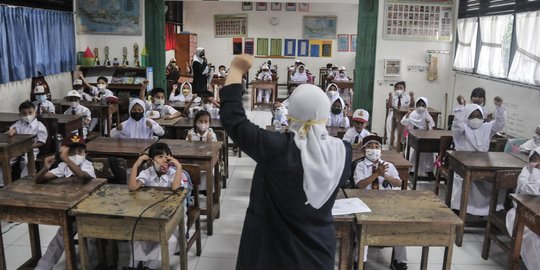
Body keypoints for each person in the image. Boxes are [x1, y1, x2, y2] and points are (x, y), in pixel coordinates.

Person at [220, 55, 351, 270]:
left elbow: (234, 121)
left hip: (272, 249)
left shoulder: (277, 148)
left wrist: (236, 68)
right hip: (317, 251)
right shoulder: (343, 152)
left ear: (292, 113)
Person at [34, 134, 97, 270]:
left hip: (90, 213)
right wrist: (45, 167)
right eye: (71, 152)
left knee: (91, 241)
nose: (76, 155)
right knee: (59, 238)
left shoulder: (88, 165)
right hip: (71, 213)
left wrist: (66, 158)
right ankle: (42, 267)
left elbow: (82, 176)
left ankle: (91, 265)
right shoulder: (64, 167)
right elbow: (40, 180)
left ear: (85, 153)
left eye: (80, 152)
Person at [128, 142, 190, 269]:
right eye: (159, 157)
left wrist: (178, 167)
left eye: (167, 157)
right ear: (152, 161)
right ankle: (134, 266)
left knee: (167, 240)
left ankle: (150, 266)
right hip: (152, 214)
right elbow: (133, 187)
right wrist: (136, 165)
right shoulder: (148, 172)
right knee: (139, 237)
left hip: (174, 215)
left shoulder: (174, 173)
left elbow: (175, 187)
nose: (164, 160)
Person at [352, 135, 407, 270]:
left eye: (377, 147)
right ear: (364, 151)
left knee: (400, 227)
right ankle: (360, 261)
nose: (374, 150)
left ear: (381, 150)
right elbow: (360, 185)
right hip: (365, 202)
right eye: (370, 147)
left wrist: (384, 175)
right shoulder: (360, 166)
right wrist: (376, 174)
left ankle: (399, 260)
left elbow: (399, 182)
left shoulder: (389, 165)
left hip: (386, 203)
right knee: (364, 229)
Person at [450, 98, 506, 216]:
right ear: (467, 117)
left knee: (498, 181)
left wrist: (499, 108)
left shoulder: (486, 128)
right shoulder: (462, 129)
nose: (476, 119)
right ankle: (459, 208)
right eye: (472, 116)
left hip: (483, 164)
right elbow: (457, 125)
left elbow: (499, 124)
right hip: (463, 163)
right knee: (463, 180)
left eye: (479, 116)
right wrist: (461, 109)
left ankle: (492, 210)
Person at [505, 146, 540, 270]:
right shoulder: (526, 173)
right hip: (522, 215)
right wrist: (537, 170)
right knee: (535, 239)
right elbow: (531, 191)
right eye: (536, 160)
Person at [0, 101, 47, 186]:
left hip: (32, 149)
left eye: (30, 112)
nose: (27, 115)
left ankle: (25, 182)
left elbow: (41, 142)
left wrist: (28, 147)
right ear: (20, 115)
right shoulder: (19, 123)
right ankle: (3, 183)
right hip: (16, 149)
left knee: (26, 162)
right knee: (6, 160)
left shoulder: (39, 126)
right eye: (24, 113)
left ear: (35, 113)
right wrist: (12, 131)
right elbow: (12, 130)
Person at [400, 97, 435, 176]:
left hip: (425, 137)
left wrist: (427, 124)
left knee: (429, 151)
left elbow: (430, 129)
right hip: (412, 136)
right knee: (413, 151)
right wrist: (407, 116)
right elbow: (403, 122)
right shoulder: (412, 114)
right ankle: (412, 169)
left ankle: (428, 169)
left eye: (423, 105)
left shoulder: (427, 116)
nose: (420, 107)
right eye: (419, 104)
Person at [386, 81, 414, 146]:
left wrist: (412, 97)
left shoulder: (407, 97)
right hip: (393, 114)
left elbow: (412, 106)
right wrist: (390, 96)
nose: (399, 89)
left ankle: (403, 142)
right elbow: (388, 106)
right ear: (394, 89)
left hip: (404, 114)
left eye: (401, 88)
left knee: (408, 123)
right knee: (390, 122)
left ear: (404, 89)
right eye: (397, 88)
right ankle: (391, 142)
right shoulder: (392, 96)